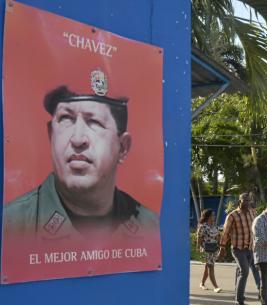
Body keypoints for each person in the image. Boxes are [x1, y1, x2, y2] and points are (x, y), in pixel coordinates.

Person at [3, 74, 159, 241]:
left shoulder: (148, 225)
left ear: (122, 147)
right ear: (51, 135)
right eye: (66, 119)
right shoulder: (12, 225)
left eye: (94, 122)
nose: (77, 139)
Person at [218, 193, 256, 305]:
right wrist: (222, 248)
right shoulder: (232, 215)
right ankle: (239, 301)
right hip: (238, 249)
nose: (247, 202)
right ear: (239, 201)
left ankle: (238, 296)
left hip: (249, 248)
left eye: (248, 200)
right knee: (244, 272)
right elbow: (225, 233)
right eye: (244, 200)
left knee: (240, 272)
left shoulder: (252, 213)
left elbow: (254, 230)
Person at [197, 209, 222, 293]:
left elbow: (218, 236)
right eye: (212, 215)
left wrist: (220, 246)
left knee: (208, 267)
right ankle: (216, 287)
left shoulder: (215, 226)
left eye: (214, 215)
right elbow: (199, 237)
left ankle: (202, 283)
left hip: (214, 249)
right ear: (207, 216)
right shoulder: (203, 226)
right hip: (205, 249)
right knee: (210, 266)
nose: (213, 217)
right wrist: (198, 248)